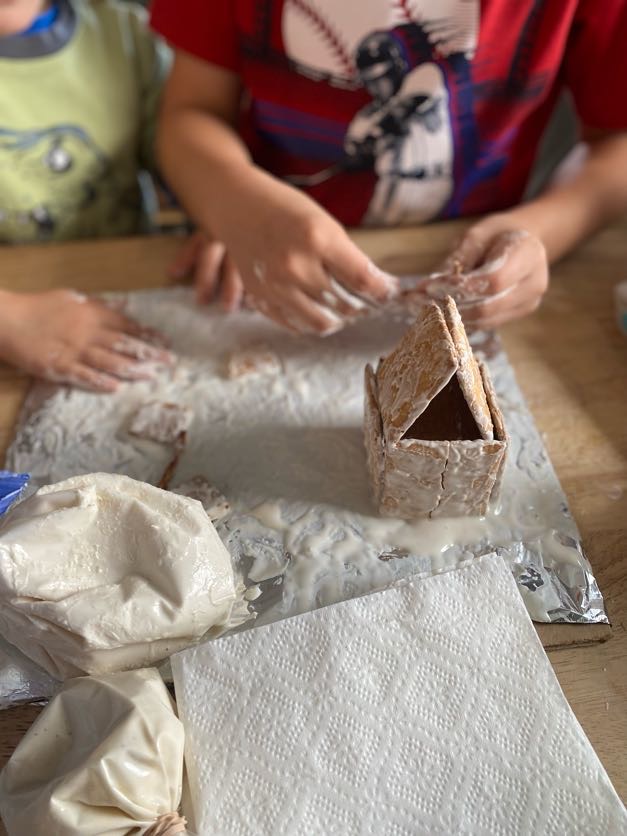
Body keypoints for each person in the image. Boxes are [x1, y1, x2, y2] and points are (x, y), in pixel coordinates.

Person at [150, 0, 627, 334]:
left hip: (475, 265)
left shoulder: (422, 81)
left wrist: (542, 230)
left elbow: (616, 144)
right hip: (260, 267)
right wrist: (236, 207)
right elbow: (190, 115)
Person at [0, 0, 227, 390]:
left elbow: (183, 156)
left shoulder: (126, 36)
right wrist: (9, 319)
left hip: (133, 285)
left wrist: (223, 214)